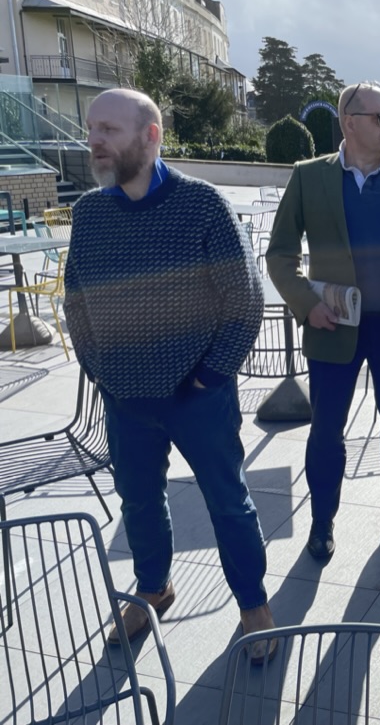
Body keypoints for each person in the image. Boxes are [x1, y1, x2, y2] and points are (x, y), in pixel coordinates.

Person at [64, 88, 277, 663]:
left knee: (227, 501)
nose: (96, 140)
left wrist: (209, 376)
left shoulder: (202, 205)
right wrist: (100, 370)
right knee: (137, 501)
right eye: (92, 129)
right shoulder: (90, 213)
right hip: (125, 398)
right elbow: (76, 302)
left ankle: (253, 604)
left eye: (109, 128)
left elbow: (245, 301)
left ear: (151, 136)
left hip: (197, 396)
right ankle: (152, 590)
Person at [266, 81, 380, 561]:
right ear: (349, 122)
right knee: (327, 430)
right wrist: (307, 305)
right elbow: (280, 254)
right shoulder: (309, 177)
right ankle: (322, 522)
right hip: (333, 326)